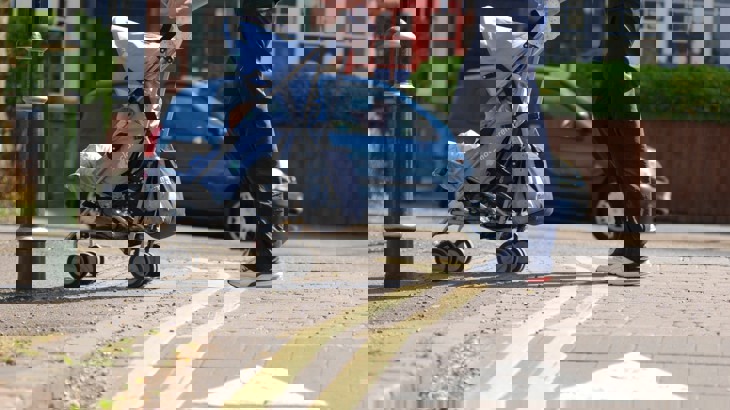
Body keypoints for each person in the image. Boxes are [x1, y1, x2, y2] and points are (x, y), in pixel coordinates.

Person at [223, 0, 287, 288]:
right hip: (252, 140)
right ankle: (262, 267)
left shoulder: (255, 79)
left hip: (257, 141)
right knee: (258, 203)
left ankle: (265, 267)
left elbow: (255, 66)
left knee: (263, 203)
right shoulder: (250, 79)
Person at [592, 0, 654, 283]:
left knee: (631, 181)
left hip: (621, 114)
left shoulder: (620, 59)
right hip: (620, 111)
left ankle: (632, 254)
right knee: (627, 179)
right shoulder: (619, 59)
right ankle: (631, 249)